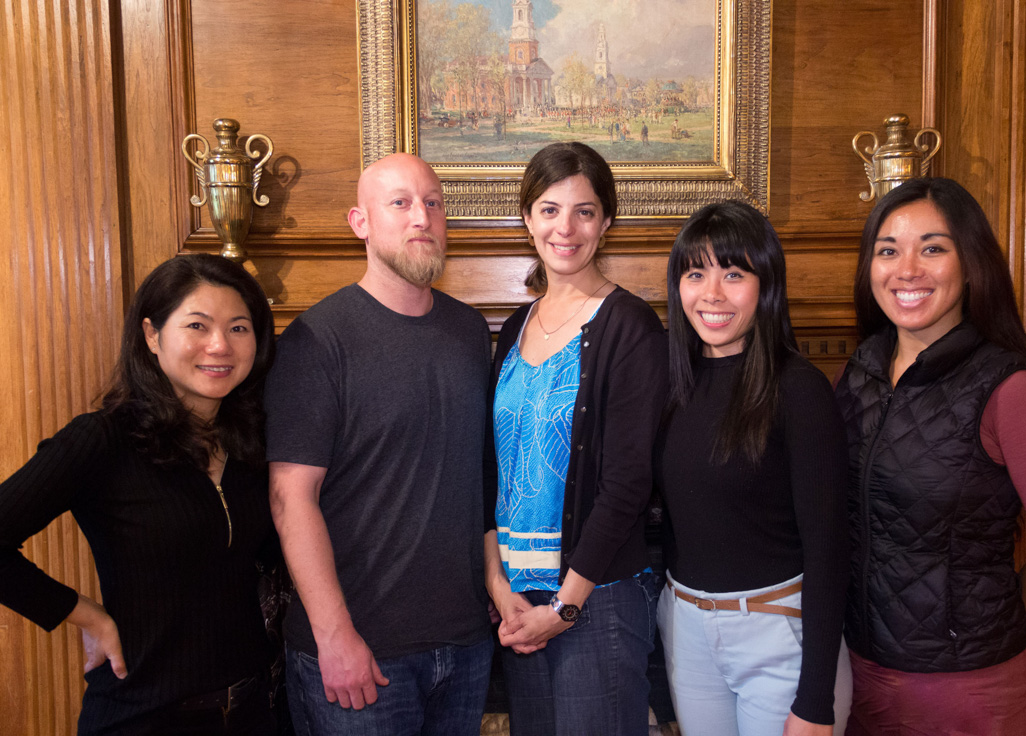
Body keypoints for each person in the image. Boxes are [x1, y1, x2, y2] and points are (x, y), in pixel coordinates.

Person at [834, 177, 1026, 736]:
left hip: (967, 692)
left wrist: (984, 616)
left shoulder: (1010, 390)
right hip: (858, 670)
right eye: (888, 250)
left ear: (970, 261)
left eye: (932, 247)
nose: (907, 268)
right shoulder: (856, 373)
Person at [0, 254, 278, 735]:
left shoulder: (255, 442)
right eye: (197, 325)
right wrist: (86, 615)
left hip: (255, 712)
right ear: (152, 335)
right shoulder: (103, 440)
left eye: (239, 328)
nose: (220, 345)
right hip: (144, 717)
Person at [265, 153, 493, 735]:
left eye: (433, 203)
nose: (422, 217)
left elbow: (481, 479)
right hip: (361, 655)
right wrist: (334, 635)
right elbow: (291, 498)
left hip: (465, 645)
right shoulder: (318, 340)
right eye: (400, 203)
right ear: (359, 222)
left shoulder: (470, 332)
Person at [483, 141, 667, 735]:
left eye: (584, 211)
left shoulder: (629, 327)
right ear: (528, 219)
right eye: (549, 209)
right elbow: (492, 469)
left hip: (597, 599)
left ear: (606, 221)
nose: (566, 227)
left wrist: (566, 605)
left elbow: (628, 482)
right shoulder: (515, 326)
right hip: (519, 603)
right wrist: (497, 585)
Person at [656, 201, 852, 736]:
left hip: (779, 634)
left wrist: (815, 700)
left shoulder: (800, 390)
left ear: (765, 286)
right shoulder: (672, 386)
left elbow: (830, 550)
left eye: (733, 273)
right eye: (695, 273)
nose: (711, 293)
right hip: (688, 631)